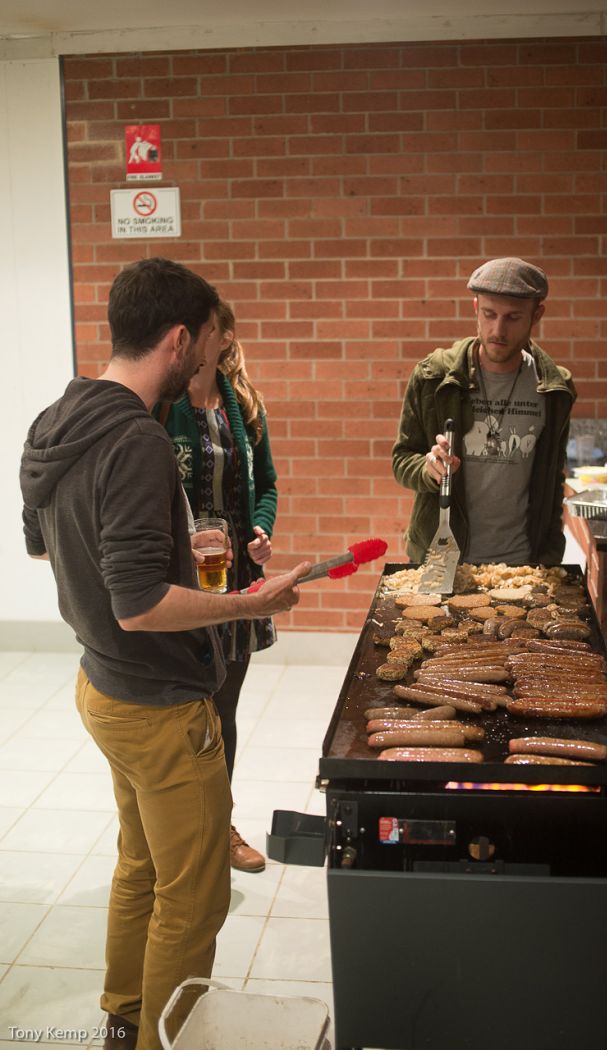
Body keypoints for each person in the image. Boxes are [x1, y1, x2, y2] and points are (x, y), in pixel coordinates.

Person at [19, 257, 310, 1050]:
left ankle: (124, 1015)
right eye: (208, 341)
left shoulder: (55, 420)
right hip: (157, 702)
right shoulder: (139, 441)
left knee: (141, 864)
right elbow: (140, 604)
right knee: (194, 896)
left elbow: (42, 547)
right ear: (178, 339)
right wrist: (250, 602)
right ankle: (161, 1039)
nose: (211, 357)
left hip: (100, 686)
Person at [154, 300, 277, 873]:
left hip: (237, 583)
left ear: (224, 337)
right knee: (182, 717)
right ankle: (176, 833)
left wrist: (261, 529)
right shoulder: (161, 405)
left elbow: (267, 484)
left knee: (223, 711)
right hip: (178, 584)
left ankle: (219, 827)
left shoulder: (244, 406)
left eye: (202, 328)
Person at [392, 257, 576, 567]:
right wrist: (428, 469)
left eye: (513, 317)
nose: (498, 330)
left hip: (522, 565)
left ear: (537, 315)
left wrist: (550, 553)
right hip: (441, 561)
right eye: (489, 314)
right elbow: (402, 460)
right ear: (476, 308)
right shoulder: (433, 377)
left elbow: (553, 480)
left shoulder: (555, 389)